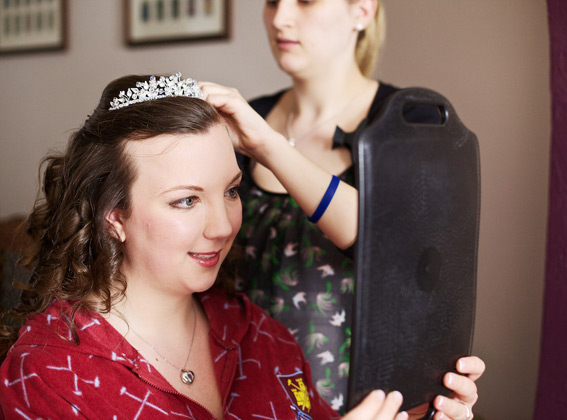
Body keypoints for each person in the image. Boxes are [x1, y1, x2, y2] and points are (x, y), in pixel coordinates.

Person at [0, 73, 480, 420]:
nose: (223, 226)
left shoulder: (260, 334)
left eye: (231, 191)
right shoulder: (48, 373)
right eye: (186, 201)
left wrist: (417, 414)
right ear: (114, 216)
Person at [200, 0, 484, 415]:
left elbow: (394, 242)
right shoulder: (250, 118)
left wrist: (270, 146)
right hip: (241, 391)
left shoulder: (411, 121)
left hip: (358, 403)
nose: (280, 18)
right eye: (272, 1)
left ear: (363, 11)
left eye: (306, 1)